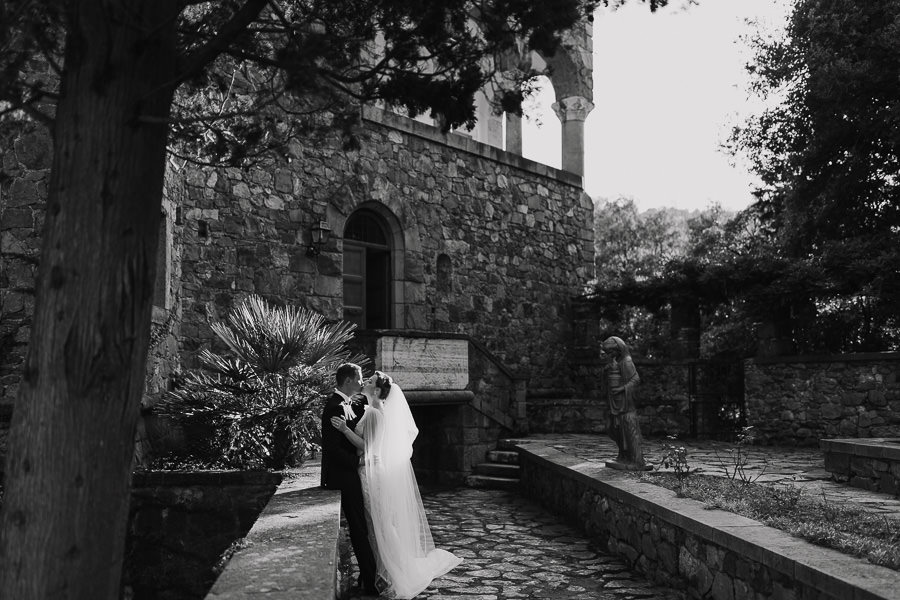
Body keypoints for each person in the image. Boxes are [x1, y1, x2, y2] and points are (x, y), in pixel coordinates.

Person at [331, 371, 462, 599]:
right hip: (373, 471)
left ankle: (391, 574)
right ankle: (383, 572)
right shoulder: (374, 410)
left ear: (378, 391)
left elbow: (367, 446)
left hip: (369, 473)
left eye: (370, 382)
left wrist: (344, 430)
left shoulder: (374, 412)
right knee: (380, 524)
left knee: (378, 525)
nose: (365, 383)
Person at [321, 363, 379, 597]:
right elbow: (333, 450)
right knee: (357, 527)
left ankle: (369, 576)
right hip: (343, 476)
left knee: (361, 527)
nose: (362, 382)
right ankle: (370, 579)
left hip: (352, 474)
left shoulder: (353, 403)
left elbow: (368, 410)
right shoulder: (334, 407)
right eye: (359, 379)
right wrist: (358, 463)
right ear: (347, 381)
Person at [600, 336, 649, 471]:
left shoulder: (626, 362)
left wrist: (622, 388)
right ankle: (623, 455)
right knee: (614, 429)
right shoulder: (615, 362)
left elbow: (635, 380)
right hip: (615, 403)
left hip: (625, 404)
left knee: (628, 430)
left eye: (610, 352)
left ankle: (636, 459)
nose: (609, 355)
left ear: (618, 350)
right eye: (607, 353)